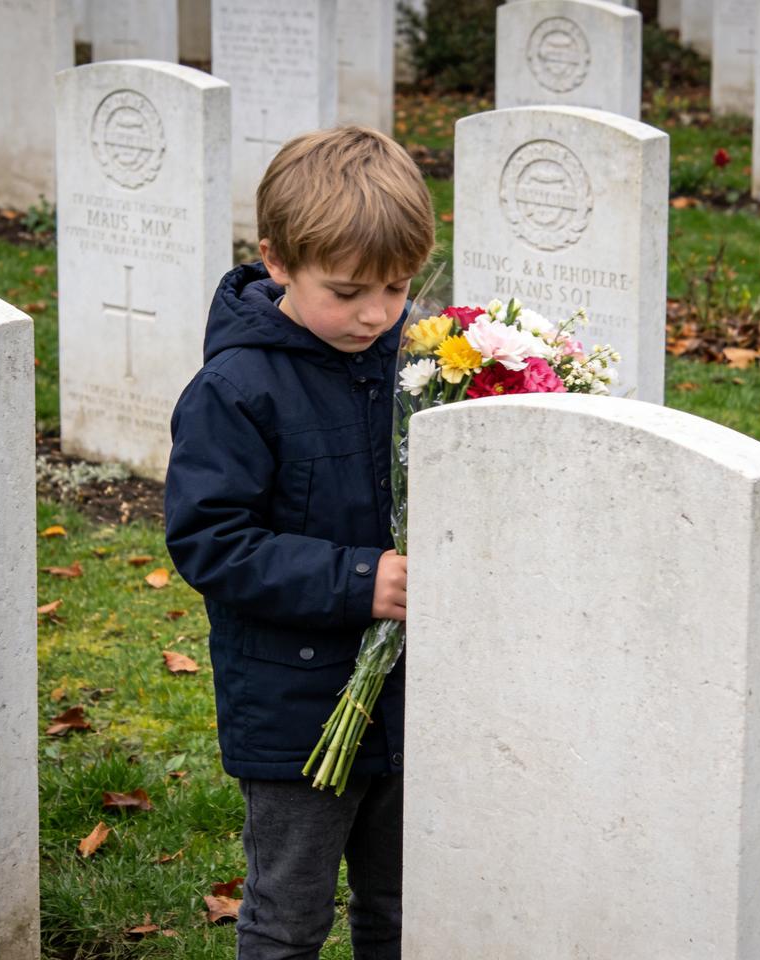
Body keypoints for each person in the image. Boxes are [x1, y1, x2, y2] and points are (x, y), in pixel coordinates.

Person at [164, 125, 435, 960]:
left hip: (416, 698)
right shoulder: (235, 390)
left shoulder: (423, 359)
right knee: (290, 912)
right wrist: (360, 581)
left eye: (397, 287)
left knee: (408, 901)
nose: (378, 313)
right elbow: (210, 540)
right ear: (277, 261)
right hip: (297, 708)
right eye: (349, 290)